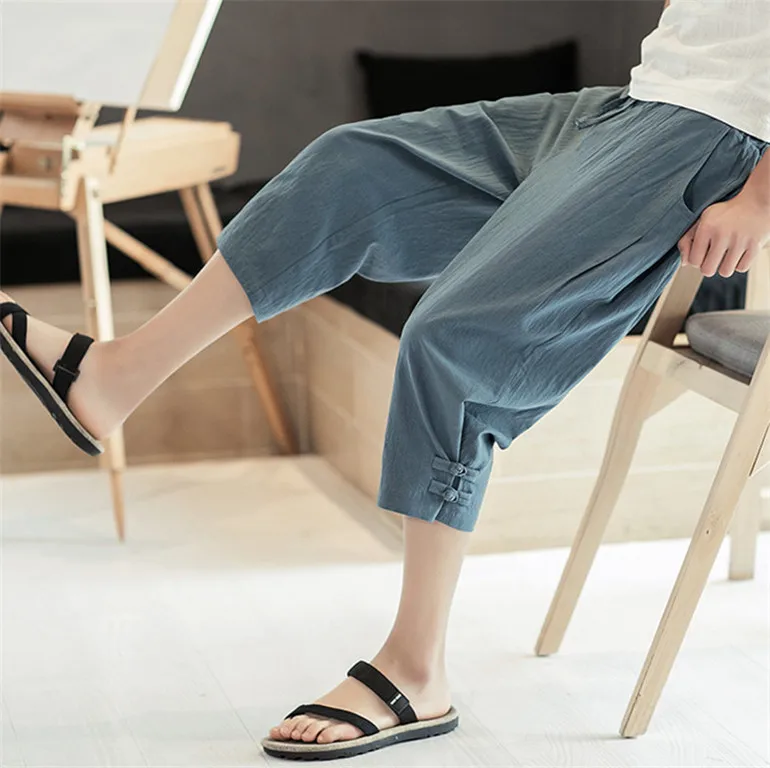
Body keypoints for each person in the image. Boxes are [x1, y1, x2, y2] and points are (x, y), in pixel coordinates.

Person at [1, 0, 768, 760]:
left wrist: (760, 199)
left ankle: (415, 666)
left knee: (453, 339)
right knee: (348, 169)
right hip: (639, 104)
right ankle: (115, 376)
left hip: (714, 140)